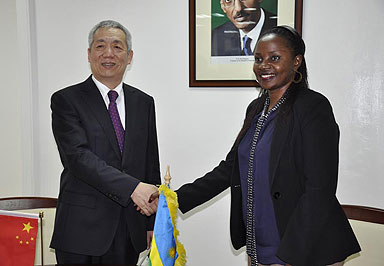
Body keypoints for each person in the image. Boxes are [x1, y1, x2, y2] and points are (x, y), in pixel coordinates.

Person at [177, 26, 361, 266]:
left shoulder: (313, 107)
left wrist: (293, 256)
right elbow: (230, 169)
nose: (264, 65)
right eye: (258, 59)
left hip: (304, 248)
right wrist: (173, 199)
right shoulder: (256, 109)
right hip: (260, 244)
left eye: (274, 58)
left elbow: (320, 189)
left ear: (296, 62)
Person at [50, 20, 161, 265]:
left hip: (129, 229)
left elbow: (150, 164)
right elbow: (77, 158)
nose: (108, 54)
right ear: (89, 54)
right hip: (81, 231)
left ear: (129, 56)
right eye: (100, 46)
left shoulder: (144, 102)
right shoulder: (66, 100)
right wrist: (133, 188)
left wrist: (152, 223)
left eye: (117, 47)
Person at [212, 0, 277, 56]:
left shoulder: (280, 30)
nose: (238, 8)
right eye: (228, 0)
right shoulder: (215, 37)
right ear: (223, 6)